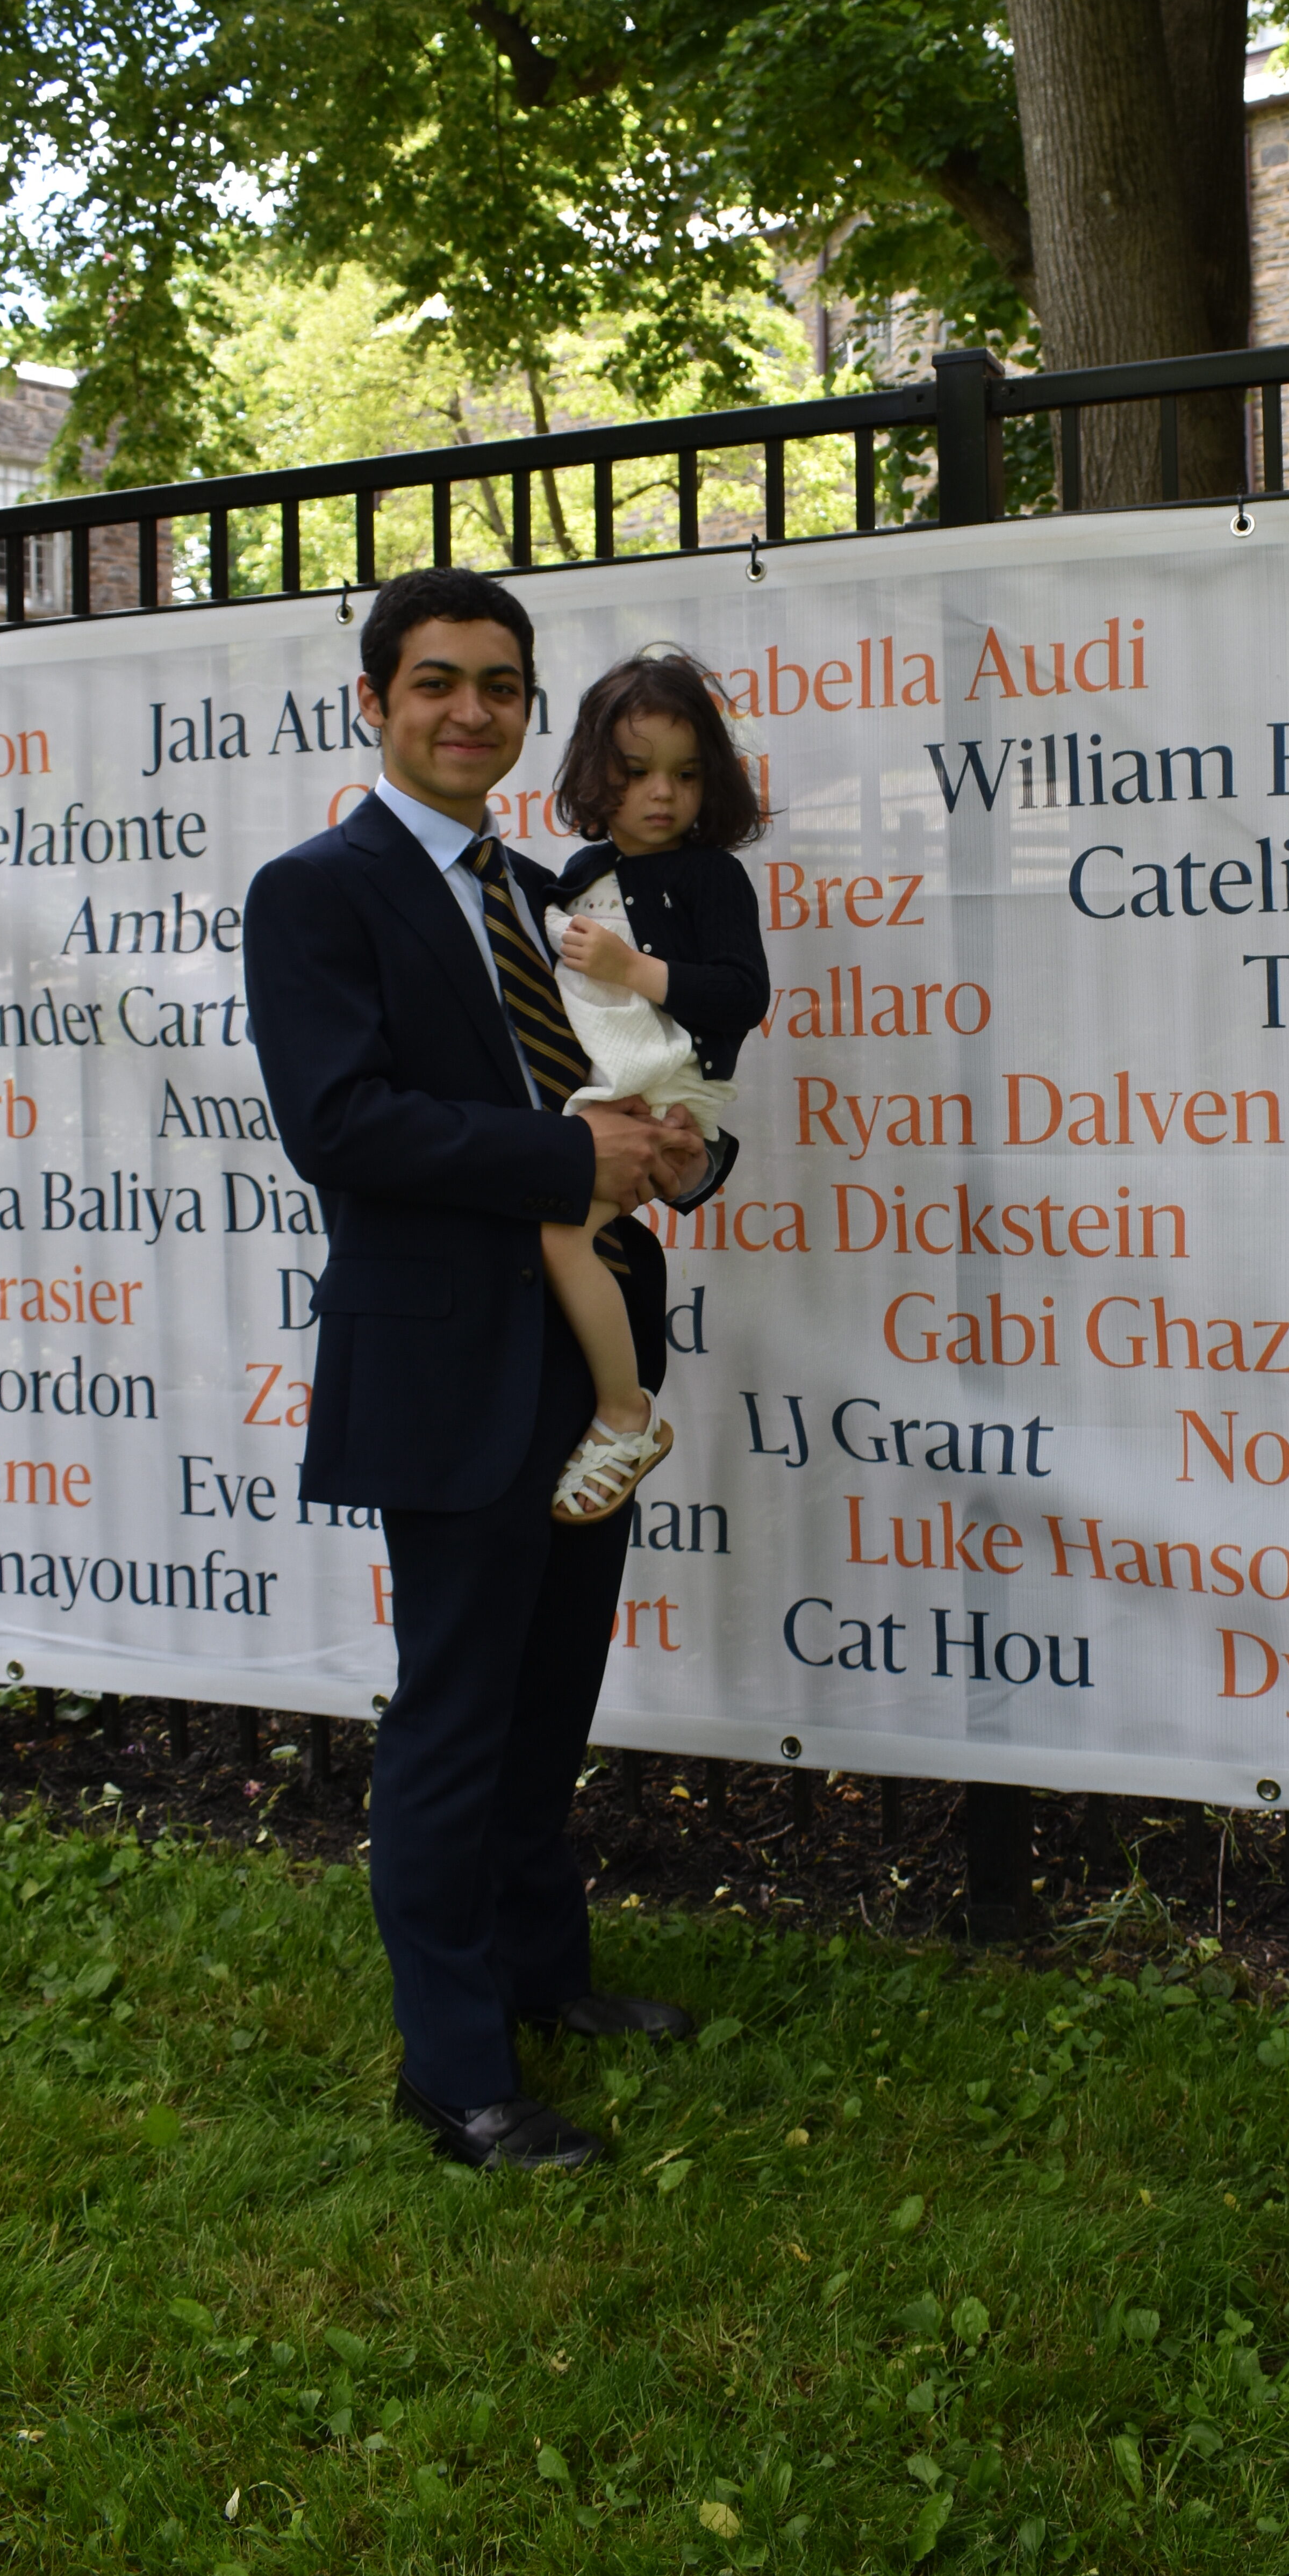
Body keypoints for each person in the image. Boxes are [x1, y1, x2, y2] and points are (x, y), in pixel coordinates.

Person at [242, 570, 733, 2173]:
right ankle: (457, 2074)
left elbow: (635, 1082)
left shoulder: (544, 893)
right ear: (375, 701)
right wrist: (561, 1152)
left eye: (502, 686)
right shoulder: (315, 891)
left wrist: (668, 1153)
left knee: (551, 1691)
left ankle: (540, 1976)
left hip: (589, 1344)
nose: (472, 710)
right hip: (452, 1357)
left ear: (531, 710)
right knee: (459, 1710)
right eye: (439, 681)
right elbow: (344, 1124)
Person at [535, 650, 770, 1524]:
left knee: (564, 1230)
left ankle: (625, 1415)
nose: (661, 795)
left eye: (685, 774)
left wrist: (635, 966)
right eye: (636, 774)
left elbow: (744, 994)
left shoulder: (713, 877)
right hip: (610, 1083)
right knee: (557, 1229)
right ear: (597, 776)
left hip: (673, 1083)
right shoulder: (577, 871)